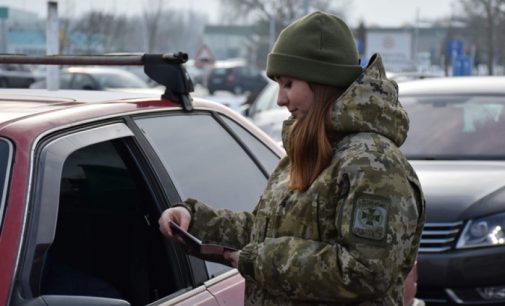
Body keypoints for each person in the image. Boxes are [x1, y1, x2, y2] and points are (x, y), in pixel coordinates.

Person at [159, 11, 425, 306]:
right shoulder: (308, 150)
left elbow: (364, 272)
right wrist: (196, 223)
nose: (279, 99)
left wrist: (260, 261)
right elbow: (265, 231)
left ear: (321, 81)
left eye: (288, 84)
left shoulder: (373, 165)